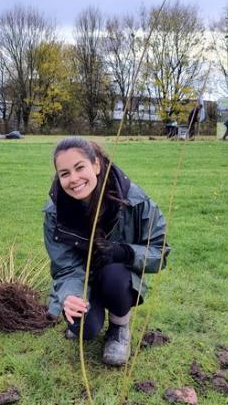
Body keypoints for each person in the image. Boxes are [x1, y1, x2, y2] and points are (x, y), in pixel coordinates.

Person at [43, 137, 170, 367]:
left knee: (114, 275)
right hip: (81, 279)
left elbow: (160, 252)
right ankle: (91, 313)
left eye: (79, 167)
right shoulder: (55, 212)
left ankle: (119, 328)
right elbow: (65, 267)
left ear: (97, 165)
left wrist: (125, 252)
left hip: (116, 277)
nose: (74, 179)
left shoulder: (135, 200)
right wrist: (70, 296)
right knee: (86, 329)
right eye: (64, 173)